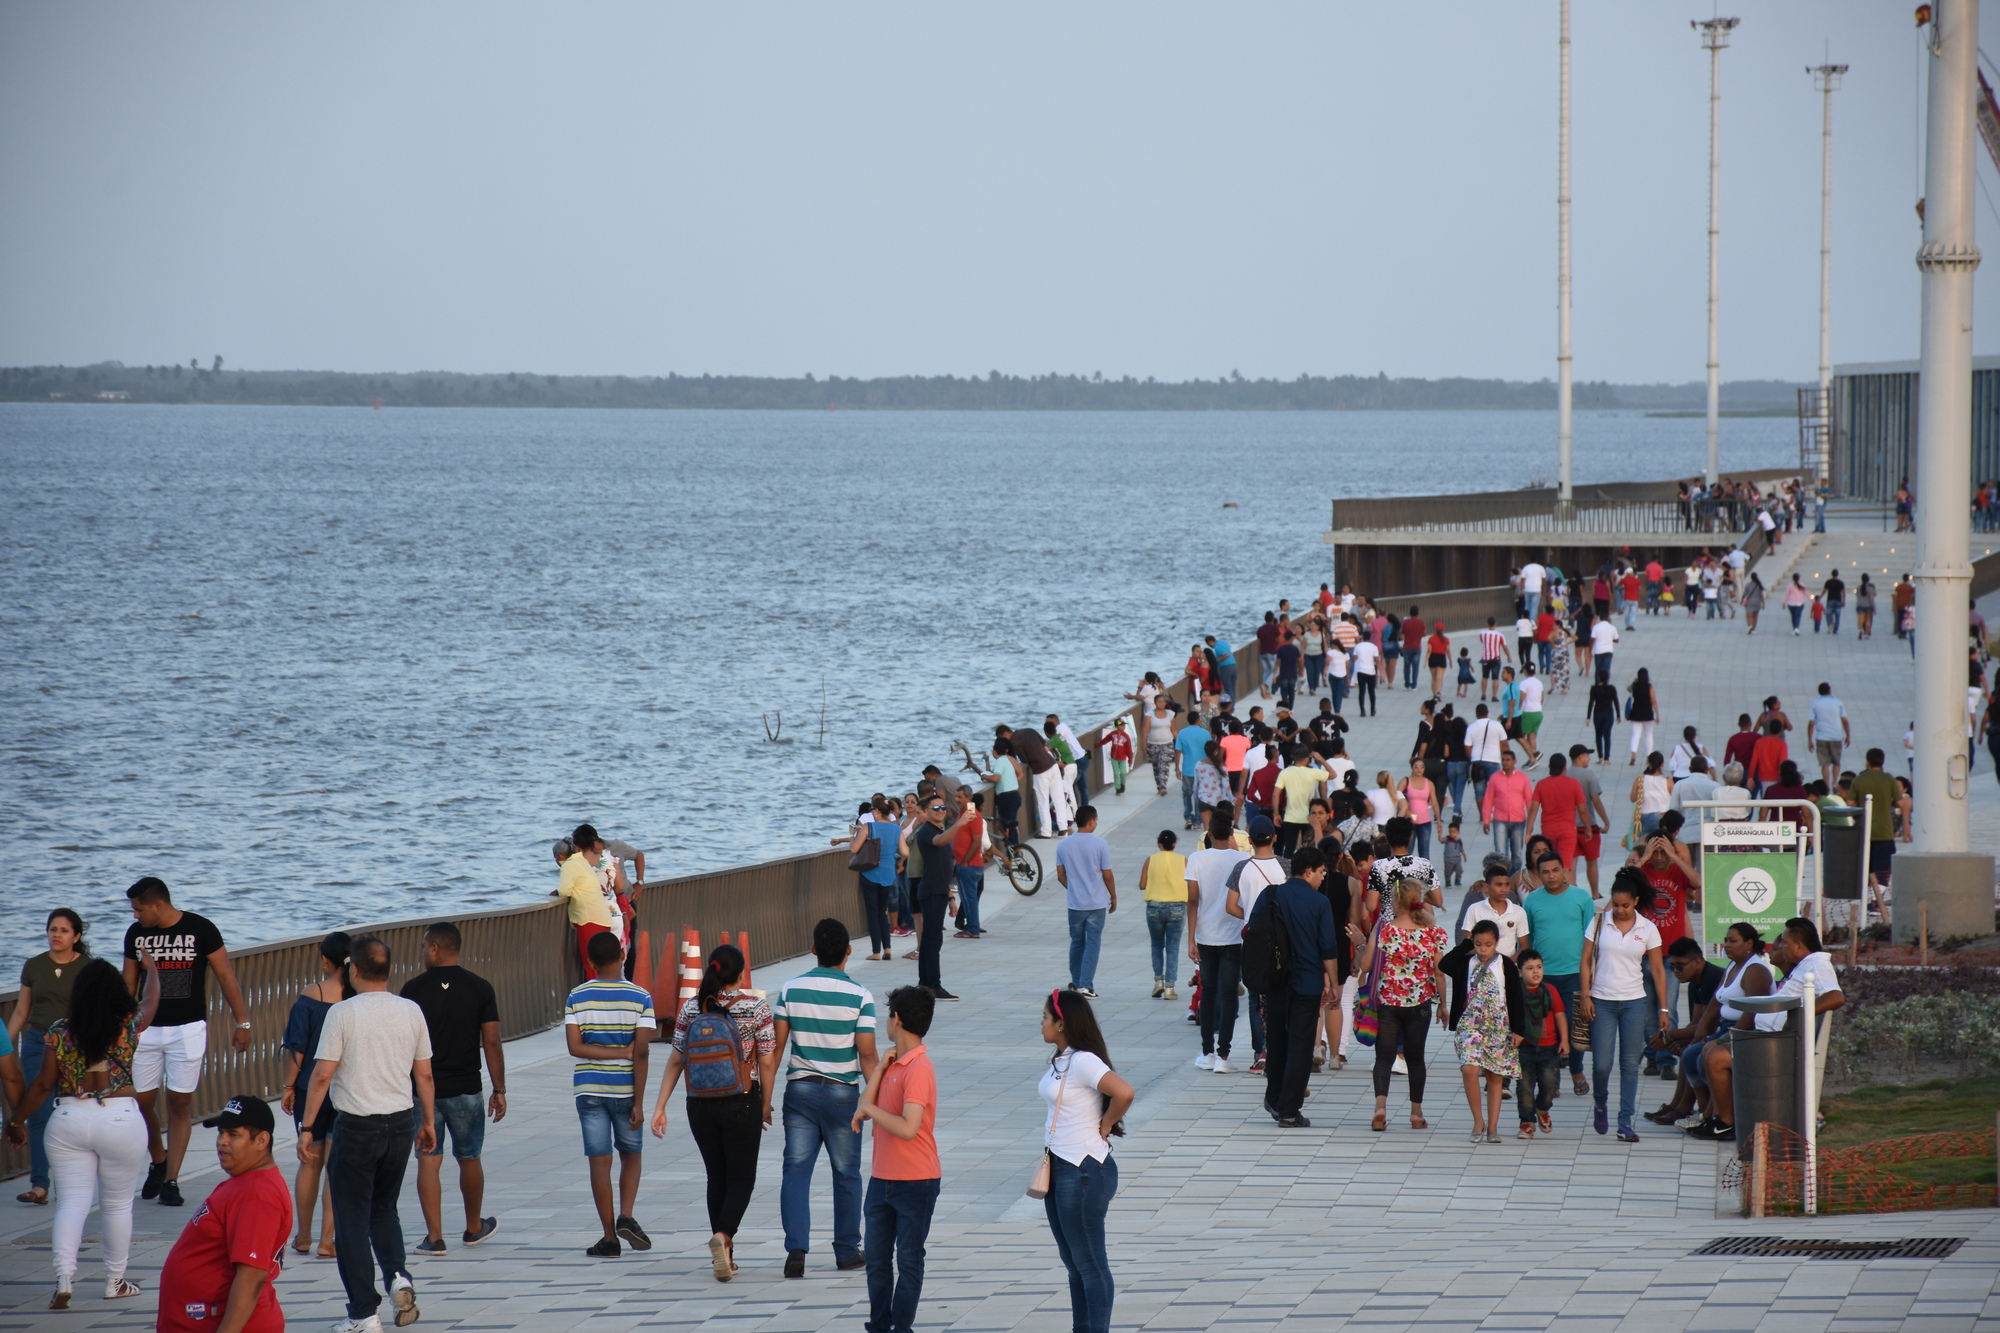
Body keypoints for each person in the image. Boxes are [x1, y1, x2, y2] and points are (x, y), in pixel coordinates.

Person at [7, 952, 159, 1309]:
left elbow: (44, 1084)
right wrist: (153, 972)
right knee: (118, 1205)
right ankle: (115, 1282)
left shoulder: (60, 1030)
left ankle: (63, 1280)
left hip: (69, 1118)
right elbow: (151, 1001)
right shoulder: (128, 1022)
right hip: (120, 1118)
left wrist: (15, 1121)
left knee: (71, 1205)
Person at [299, 936, 435, 1333]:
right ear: (388, 970)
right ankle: (398, 1277)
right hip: (401, 1123)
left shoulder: (342, 1013)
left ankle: (363, 1314)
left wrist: (308, 1128)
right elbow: (424, 1073)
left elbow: (322, 1074)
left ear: (353, 971)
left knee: (352, 1220)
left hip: (357, 1127)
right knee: (384, 1209)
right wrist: (427, 1121)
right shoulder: (411, 1011)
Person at [120, 878, 252, 1210]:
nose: (135, 915)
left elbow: (226, 976)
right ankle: (159, 1158)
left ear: (158, 905)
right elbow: (128, 983)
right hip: (146, 1030)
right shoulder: (136, 935)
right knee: (141, 1103)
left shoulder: (200, 928)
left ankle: (171, 1180)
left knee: (179, 1105)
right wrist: (120, 1028)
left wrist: (243, 1022)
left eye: (139, 909)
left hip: (188, 1029)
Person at [652, 942, 777, 1280]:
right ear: (740, 973)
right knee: (742, 1178)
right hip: (742, 1100)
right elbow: (766, 1061)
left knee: (716, 1176)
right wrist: (765, 1104)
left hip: (699, 1104)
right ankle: (724, 1237)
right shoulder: (756, 1007)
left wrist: (660, 1106)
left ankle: (725, 1253)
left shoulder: (691, 1008)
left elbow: (676, 1058)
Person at [775, 919, 879, 1279]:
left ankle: (797, 1249)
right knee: (847, 1174)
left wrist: (762, 1097)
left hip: (800, 1091)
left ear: (814, 949)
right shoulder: (860, 996)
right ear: (849, 951)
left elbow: (775, 1049)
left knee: (796, 1170)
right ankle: (847, 1250)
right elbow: (867, 1055)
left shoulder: (790, 989)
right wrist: (876, 1100)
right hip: (842, 1095)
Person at [1690, 919, 1845, 1142]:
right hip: (1765, 1037)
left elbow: (1835, 997)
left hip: (1776, 1044)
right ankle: (1716, 1117)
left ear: (1799, 945)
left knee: (1716, 1058)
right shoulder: (1803, 965)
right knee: (1708, 1051)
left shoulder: (1817, 965)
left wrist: (1798, 1016)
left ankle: (1726, 1122)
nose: (1780, 946)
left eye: (1785, 943)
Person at [401, 922, 504, 1254]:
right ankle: (474, 1228)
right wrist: (499, 1089)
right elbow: (491, 1040)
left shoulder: (413, 990)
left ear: (434, 949)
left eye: (423, 947)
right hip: (467, 1088)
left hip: (424, 1090)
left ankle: (435, 1238)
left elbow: (404, 1044)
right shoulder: (480, 987)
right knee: (470, 1157)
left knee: (428, 1159)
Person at [1037, 990, 1135, 1333]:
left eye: (1046, 1017)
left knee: (1091, 1264)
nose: (1042, 1022)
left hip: (1083, 1170)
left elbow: (1124, 1092)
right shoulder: (1062, 1058)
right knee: (1075, 1263)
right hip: (1059, 1167)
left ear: (1062, 1023)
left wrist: (1106, 1124)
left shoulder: (1083, 1060)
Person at [156, 1094, 294, 1333]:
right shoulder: (246, 1182)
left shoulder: (258, 1194)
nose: (222, 1141)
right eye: (221, 1133)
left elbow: (251, 1278)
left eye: (233, 1134)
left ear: (261, 1140)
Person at [853, 986, 940, 1333]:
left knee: (908, 1259)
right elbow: (864, 1103)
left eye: (888, 1015)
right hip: (881, 1179)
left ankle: (900, 1327)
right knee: (876, 1260)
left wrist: (870, 1110)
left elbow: (908, 1127)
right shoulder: (893, 1064)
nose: (885, 1022)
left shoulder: (919, 1068)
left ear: (897, 1019)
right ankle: (879, 1325)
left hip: (916, 1181)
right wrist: (878, 1071)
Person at [1244, 845, 1341, 1125]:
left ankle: (1274, 1098)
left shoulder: (1271, 894)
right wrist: (1333, 984)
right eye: (1321, 872)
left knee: (1276, 1040)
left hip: (1275, 982)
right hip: (1307, 982)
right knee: (1300, 1046)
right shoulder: (1319, 903)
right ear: (1309, 871)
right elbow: (1328, 948)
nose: (1323, 878)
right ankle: (1289, 1110)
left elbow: (1253, 929)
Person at [1578, 869, 1669, 1142]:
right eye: (1616, 905)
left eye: (1625, 905)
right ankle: (1600, 1102)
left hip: (1634, 1003)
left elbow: (1658, 970)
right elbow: (1584, 962)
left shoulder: (1648, 928)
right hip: (1601, 1002)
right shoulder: (1598, 923)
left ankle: (1625, 1121)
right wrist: (1585, 996)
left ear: (1636, 901)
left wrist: (1663, 1010)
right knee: (1602, 1064)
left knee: (1630, 1065)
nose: (1619, 910)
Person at [1350, 878, 1445, 1132]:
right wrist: (1444, 1005)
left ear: (1395, 902)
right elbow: (1439, 973)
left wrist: (1360, 941)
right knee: (1416, 1059)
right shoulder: (1433, 933)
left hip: (1388, 1003)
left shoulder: (1384, 929)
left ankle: (1380, 1108)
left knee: (1384, 1057)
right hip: (1420, 1004)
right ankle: (1416, 1113)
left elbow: (1367, 966)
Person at [9, 906, 87, 1207]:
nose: (57, 935)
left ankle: (71, 1179)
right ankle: (40, 1185)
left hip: (73, 1047)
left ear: (76, 936)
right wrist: (5, 1044)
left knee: (71, 1114)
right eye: (53, 929)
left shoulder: (87, 967)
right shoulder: (34, 966)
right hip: (37, 1044)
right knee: (39, 1114)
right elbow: (21, 1011)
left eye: (64, 930)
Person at [281, 932, 351, 1259]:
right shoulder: (358, 999)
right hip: (346, 1091)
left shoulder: (312, 995)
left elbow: (297, 1047)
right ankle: (328, 1239)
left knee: (310, 1160)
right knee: (336, 1166)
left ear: (325, 960)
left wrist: (289, 1087)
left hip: (311, 1089)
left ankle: (303, 1236)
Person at [1439, 920, 1527, 1144]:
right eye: (1478, 944)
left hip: (1498, 1026)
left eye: (1488, 944)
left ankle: (1493, 1127)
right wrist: (1465, 943)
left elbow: (1516, 998)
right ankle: (1478, 1121)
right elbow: (1444, 965)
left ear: (1496, 943)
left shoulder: (1505, 964)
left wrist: (1518, 1029)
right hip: (1470, 1024)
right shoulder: (1465, 962)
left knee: (1495, 1075)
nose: (1483, 949)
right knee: (1469, 1069)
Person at [1522, 851, 1594, 1095]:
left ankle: (1576, 1070)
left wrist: (1591, 974)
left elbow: (1591, 939)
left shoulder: (1581, 897)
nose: (1551, 876)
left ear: (1565, 870)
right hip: (1542, 976)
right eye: (1545, 872)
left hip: (1575, 974)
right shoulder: (1531, 901)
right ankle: (1550, 1079)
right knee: (1546, 1029)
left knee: (1576, 1027)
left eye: (1555, 870)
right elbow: (1528, 938)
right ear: (1538, 874)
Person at [1186, 809, 1251, 1073]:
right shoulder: (1243, 859)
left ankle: (1207, 1052)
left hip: (1205, 935)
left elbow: (1192, 900)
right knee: (1229, 992)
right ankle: (1225, 1056)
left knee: (1208, 992)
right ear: (1232, 833)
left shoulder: (1196, 858)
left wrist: (1190, 939)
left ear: (1209, 833)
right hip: (1234, 935)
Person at [904, 795, 974, 1001]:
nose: (941, 810)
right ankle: (933, 986)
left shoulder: (939, 829)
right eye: (936, 808)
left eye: (943, 807)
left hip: (938, 891)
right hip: (931, 892)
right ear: (926, 811)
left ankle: (925, 983)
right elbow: (939, 841)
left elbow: (942, 865)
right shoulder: (928, 831)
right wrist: (960, 823)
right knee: (933, 940)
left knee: (929, 940)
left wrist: (950, 897)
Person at [1055, 804, 1116, 997]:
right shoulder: (1100, 844)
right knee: (1093, 943)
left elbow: (1060, 875)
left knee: (1077, 942)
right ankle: (1086, 985)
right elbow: (1107, 875)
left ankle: (1076, 981)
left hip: (1075, 904)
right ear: (1091, 822)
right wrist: (1113, 896)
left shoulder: (1063, 845)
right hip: (1097, 903)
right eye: (1096, 820)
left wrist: (1073, 888)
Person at [1512, 950, 1569, 1138]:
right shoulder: (1515, 992)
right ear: (1519, 971)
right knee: (1524, 1088)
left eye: (1539, 967)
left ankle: (1543, 1109)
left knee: (1550, 1084)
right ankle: (1527, 1122)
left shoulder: (1550, 991)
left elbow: (1560, 1015)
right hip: (1524, 1048)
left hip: (1549, 1047)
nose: (1535, 972)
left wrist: (1564, 1040)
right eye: (1529, 968)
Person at [555, 831, 619, 974]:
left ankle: (595, 995)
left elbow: (565, 891)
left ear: (560, 857)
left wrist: (558, 891)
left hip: (588, 919)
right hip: (602, 917)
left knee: (590, 963)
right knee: (604, 963)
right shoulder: (583, 862)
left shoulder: (569, 865)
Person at [1849, 748, 1907, 900]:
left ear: (1867, 762)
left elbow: (1851, 803)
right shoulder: (1889, 780)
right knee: (1883, 869)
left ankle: (1867, 900)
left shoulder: (1859, 780)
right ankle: (1875, 901)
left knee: (1867, 868)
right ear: (1882, 762)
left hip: (1864, 831)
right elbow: (1900, 803)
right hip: (1884, 830)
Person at [851, 795, 903, 961]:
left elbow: (854, 849)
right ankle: (888, 948)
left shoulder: (868, 827)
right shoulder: (896, 828)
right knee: (883, 912)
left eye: (873, 809)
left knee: (872, 913)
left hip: (870, 873)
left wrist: (852, 835)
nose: (872, 812)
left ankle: (876, 952)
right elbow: (906, 851)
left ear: (878, 811)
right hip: (888, 874)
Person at [1141, 830, 1188, 1000]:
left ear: (1158, 844)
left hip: (1154, 907)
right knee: (1173, 947)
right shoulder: (1183, 860)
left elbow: (1142, 884)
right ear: (1174, 844)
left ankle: (1158, 981)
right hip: (1177, 906)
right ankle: (1170, 987)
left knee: (1156, 945)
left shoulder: (1151, 859)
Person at [1525, 752, 1585, 873]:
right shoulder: (1574, 784)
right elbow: (1583, 810)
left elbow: (1533, 808)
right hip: (1567, 830)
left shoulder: (1541, 784)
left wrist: (1528, 831)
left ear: (1550, 767)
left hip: (1548, 830)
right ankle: (1565, 888)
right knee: (1565, 865)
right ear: (1564, 767)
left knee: (1550, 864)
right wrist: (1588, 828)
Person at [1458, 863, 1531, 957]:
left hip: (1508, 968)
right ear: (1487, 887)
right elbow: (1467, 944)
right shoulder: (1474, 909)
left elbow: (1524, 947)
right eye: (1499, 885)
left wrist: (1506, 965)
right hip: (1480, 967)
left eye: (1507, 884)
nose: (1504, 889)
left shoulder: (1519, 912)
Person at [1479, 748, 1533, 873]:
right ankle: (1503, 877)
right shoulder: (1494, 778)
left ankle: (1514, 878)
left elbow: (1529, 801)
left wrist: (1530, 822)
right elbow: (1488, 799)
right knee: (1500, 853)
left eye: (1508, 760)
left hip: (1518, 820)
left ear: (1514, 761)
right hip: (1500, 820)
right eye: (1503, 760)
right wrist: (1486, 819)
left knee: (1517, 853)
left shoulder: (1523, 778)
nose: (1505, 762)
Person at [951, 788, 988, 939]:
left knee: (970, 898)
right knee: (966, 898)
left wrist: (966, 861)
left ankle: (973, 928)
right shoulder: (963, 812)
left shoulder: (972, 814)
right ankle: (970, 926)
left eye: (960, 797)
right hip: (961, 863)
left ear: (968, 798)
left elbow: (977, 840)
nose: (956, 799)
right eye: (956, 796)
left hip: (970, 865)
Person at [1172, 712, 1212, 832]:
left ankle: (1188, 816)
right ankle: (1197, 822)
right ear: (1198, 720)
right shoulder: (1205, 733)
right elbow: (1210, 750)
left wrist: (1177, 768)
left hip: (1187, 769)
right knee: (1199, 796)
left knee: (1187, 793)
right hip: (1202, 769)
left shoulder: (1182, 733)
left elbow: (1178, 751)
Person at [1807, 682, 1850, 788]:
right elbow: (1844, 720)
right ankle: (1834, 783)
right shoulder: (1838, 702)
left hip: (1822, 737)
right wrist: (1848, 735)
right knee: (1836, 761)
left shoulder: (1815, 703)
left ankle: (1826, 784)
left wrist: (1809, 739)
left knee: (1824, 763)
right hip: (1836, 736)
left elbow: (1811, 723)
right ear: (1829, 691)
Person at [1399, 757, 1442, 858]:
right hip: (1409, 821)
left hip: (1425, 822)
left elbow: (1435, 803)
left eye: (1422, 767)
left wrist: (1438, 820)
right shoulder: (1406, 781)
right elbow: (1396, 797)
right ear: (1412, 768)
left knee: (1424, 852)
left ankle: (1425, 872)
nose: (1419, 769)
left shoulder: (1429, 783)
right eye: (1416, 767)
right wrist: (1405, 810)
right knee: (1407, 850)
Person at [1631, 751, 1673, 839]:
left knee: (1645, 843)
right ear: (1663, 764)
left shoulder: (1640, 779)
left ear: (1648, 762)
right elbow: (1674, 798)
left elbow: (1633, 798)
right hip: (1663, 816)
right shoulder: (1668, 780)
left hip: (1645, 816)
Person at [1142, 698, 1177, 799]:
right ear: (1155, 703)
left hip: (1167, 743)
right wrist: (1143, 743)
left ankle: (1163, 786)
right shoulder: (1149, 715)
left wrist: (1179, 742)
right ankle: (1159, 785)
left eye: (1163, 702)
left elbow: (1174, 730)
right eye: (1159, 702)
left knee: (1164, 765)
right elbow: (1145, 730)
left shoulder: (1170, 714)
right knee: (1157, 766)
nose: (1162, 704)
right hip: (1153, 744)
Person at [1625, 669, 1658, 765]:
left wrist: (1633, 682)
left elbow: (1628, 689)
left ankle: (1633, 754)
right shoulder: (1649, 687)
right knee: (1648, 735)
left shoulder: (1635, 686)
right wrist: (1657, 714)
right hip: (1647, 714)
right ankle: (1648, 757)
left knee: (1635, 735)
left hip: (1635, 713)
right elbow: (1653, 701)